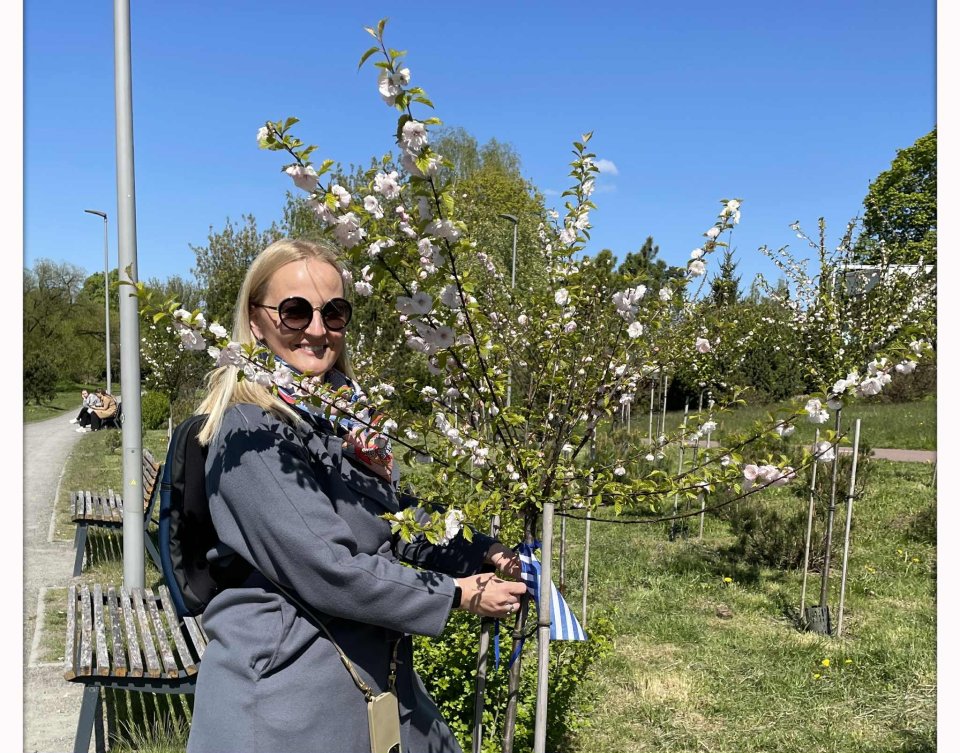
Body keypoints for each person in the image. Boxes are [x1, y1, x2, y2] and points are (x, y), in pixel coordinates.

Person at [187, 238, 527, 753]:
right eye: (295, 312)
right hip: (288, 696)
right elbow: (328, 566)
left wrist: (481, 550)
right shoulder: (251, 431)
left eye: (333, 312)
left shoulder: (342, 419)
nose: (317, 329)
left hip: (368, 673)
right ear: (256, 321)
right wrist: (457, 593)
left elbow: (396, 515)